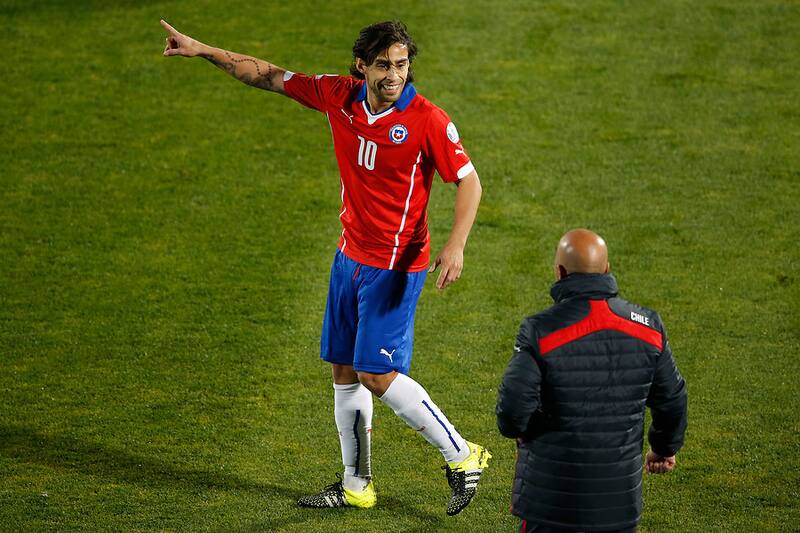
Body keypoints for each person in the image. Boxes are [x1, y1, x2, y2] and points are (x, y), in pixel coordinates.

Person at [160, 19, 489, 516]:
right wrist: (202, 49)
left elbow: (468, 182)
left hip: (396, 265)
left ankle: (463, 455)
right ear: (362, 65)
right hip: (349, 256)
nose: (394, 75)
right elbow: (268, 75)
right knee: (343, 368)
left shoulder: (428, 120)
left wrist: (456, 244)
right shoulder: (338, 96)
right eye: (383, 65)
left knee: (377, 373)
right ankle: (356, 485)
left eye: (401, 65)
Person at [496, 229, 688, 532]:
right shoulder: (649, 328)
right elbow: (673, 400)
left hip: (551, 503)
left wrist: (528, 434)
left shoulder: (540, 330)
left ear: (559, 272)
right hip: (618, 504)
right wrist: (663, 448)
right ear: (607, 269)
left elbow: (511, 412)